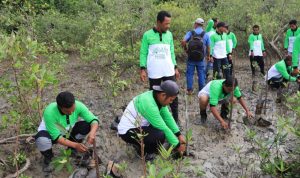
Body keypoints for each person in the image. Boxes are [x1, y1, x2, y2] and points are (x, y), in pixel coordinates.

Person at [117, 80, 186, 159]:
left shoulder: (156, 97)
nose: (171, 102)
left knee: (161, 129)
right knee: (159, 135)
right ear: (163, 95)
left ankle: (143, 144)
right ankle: (144, 153)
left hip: (140, 125)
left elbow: (167, 117)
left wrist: (179, 135)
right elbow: (163, 127)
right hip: (127, 132)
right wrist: (178, 145)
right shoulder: (149, 104)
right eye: (171, 99)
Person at [35, 91, 99, 173]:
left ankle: (72, 150)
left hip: (67, 131)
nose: (71, 113)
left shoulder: (78, 105)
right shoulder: (50, 112)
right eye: (68, 112)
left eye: (73, 110)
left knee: (86, 126)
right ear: (60, 107)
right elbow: (56, 137)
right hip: (51, 135)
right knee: (42, 140)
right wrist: (76, 145)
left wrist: (92, 133)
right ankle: (49, 159)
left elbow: (94, 120)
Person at [140, 10, 180, 123]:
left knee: (173, 95)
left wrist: (175, 67)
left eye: (169, 23)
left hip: (169, 70)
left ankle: (175, 120)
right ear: (158, 22)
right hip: (154, 72)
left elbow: (171, 52)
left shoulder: (169, 35)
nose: (168, 26)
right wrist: (142, 69)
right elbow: (143, 52)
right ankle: (155, 121)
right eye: (166, 23)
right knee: (155, 97)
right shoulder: (147, 35)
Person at [181, 18, 211, 94]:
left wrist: (186, 49)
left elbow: (184, 41)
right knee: (201, 73)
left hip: (191, 57)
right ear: (202, 25)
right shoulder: (206, 34)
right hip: (201, 58)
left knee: (190, 73)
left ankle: (190, 90)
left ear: (196, 24)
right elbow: (208, 47)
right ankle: (201, 90)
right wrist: (208, 56)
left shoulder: (190, 33)